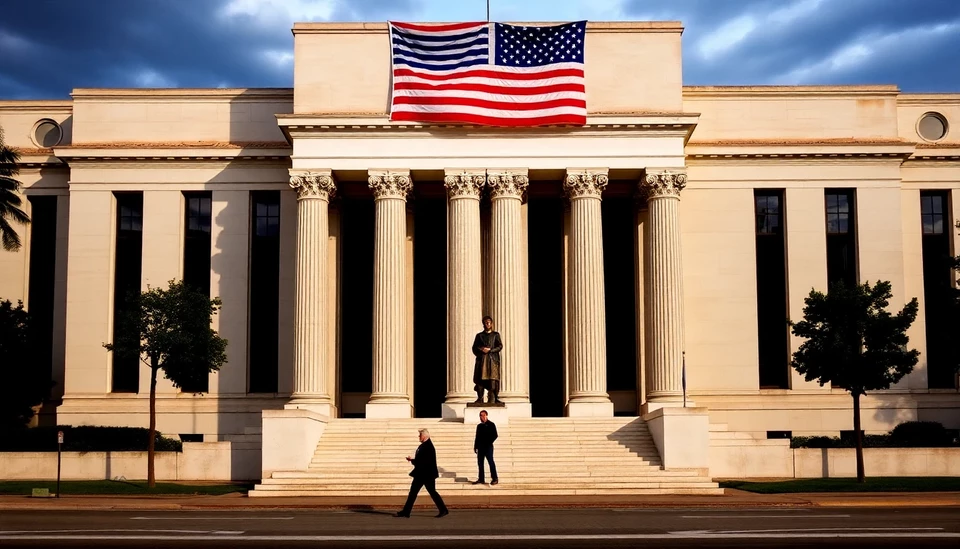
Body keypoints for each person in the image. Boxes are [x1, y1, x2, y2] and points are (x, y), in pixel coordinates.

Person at [395, 428, 449, 518]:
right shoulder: (425, 445)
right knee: (418, 492)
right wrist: (413, 460)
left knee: (423, 492)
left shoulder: (427, 446)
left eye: (420, 435)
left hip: (425, 474)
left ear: (424, 436)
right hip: (424, 473)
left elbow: (423, 461)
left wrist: (413, 461)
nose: (419, 437)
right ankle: (406, 511)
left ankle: (443, 510)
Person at [472, 316, 503, 404]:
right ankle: (480, 398)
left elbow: (500, 346)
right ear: (483, 324)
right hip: (482, 360)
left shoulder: (496, 335)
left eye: (489, 322)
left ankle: (495, 398)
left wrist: (491, 350)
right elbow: (474, 348)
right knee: (480, 379)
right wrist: (481, 350)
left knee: (493, 379)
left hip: (492, 360)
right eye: (486, 322)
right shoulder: (479, 336)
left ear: (492, 324)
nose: (488, 324)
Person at [472, 410, 499, 485]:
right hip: (480, 448)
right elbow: (477, 437)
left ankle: (495, 478)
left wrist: (488, 442)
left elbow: (495, 435)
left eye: (483, 415)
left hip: (488, 447)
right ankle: (481, 479)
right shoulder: (479, 426)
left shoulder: (491, 424)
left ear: (486, 416)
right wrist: (475, 446)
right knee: (480, 463)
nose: (482, 417)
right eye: (480, 415)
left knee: (491, 462)